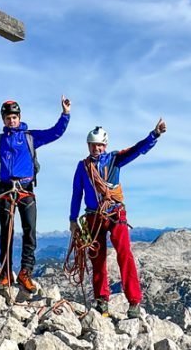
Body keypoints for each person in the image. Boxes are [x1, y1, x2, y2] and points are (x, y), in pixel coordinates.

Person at [69, 118, 166, 318]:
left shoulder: (115, 159)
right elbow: (76, 192)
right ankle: (101, 300)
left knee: (124, 253)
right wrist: (72, 219)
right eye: (93, 145)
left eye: (100, 145)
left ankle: (134, 301)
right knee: (96, 257)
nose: (96, 148)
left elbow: (136, 150)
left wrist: (154, 135)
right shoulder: (83, 166)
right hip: (92, 216)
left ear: (105, 145)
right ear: (88, 146)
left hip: (114, 212)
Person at [0, 96, 71, 291]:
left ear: (19, 117)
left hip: (25, 189)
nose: (12, 120)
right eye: (8, 117)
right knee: (6, 232)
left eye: (14, 117)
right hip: (6, 189)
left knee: (29, 231)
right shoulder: (0, 141)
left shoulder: (30, 137)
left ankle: (26, 272)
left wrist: (65, 114)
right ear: (3, 120)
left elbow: (55, 133)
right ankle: (6, 272)